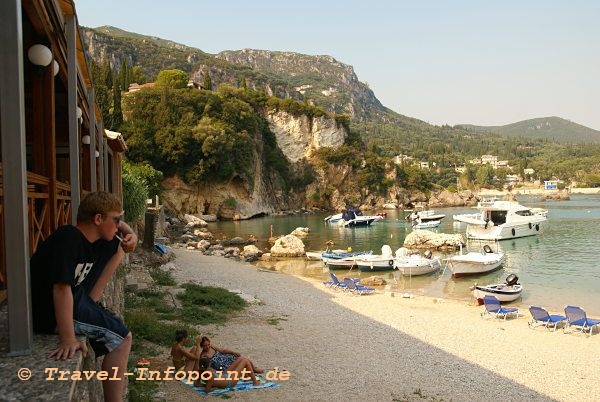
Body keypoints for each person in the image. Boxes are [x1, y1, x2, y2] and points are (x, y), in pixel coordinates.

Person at [30, 191, 138, 402]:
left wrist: (131, 233)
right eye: (115, 220)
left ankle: (92, 305)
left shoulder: (94, 240)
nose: (119, 226)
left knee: (117, 247)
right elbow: (60, 289)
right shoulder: (67, 238)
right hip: (50, 312)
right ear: (98, 219)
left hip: (78, 299)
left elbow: (120, 236)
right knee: (123, 339)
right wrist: (68, 338)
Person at [193, 355, 262, 392]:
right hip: (230, 382)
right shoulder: (210, 375)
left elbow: (196, 384)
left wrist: (204, 385)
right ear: (209, 364)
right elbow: (207, 390)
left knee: (241, 358)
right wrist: (215, 388)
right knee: (245, 361)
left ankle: (247, 377)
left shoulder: (200, 370)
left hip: (225, 375)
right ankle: (255, 382)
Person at [199, 336, 263, 373]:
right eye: (205, 346)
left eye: (208, 344)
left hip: (226, 359)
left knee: (243, 358)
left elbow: (223, 350)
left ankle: (254, 369)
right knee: (242, 362)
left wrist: (233, 352)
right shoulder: (203, 355)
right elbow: (207, 367)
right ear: (202, 346)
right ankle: (252, 371)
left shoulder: (212, 347)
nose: (207, 347)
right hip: (223, 365)